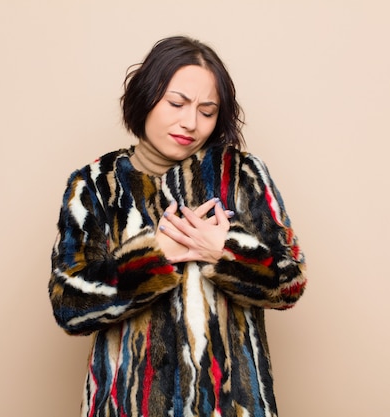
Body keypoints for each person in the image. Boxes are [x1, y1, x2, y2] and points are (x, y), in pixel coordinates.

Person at [49, 35, 307, 417]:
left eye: (207, 111)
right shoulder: (95, 184)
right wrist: (153, 259)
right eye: (176, 103)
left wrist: (227, 252)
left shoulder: (241, 174)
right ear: (145, 96)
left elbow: (291, 284)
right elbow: (69, 306)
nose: (191, 123)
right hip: (126, 407)